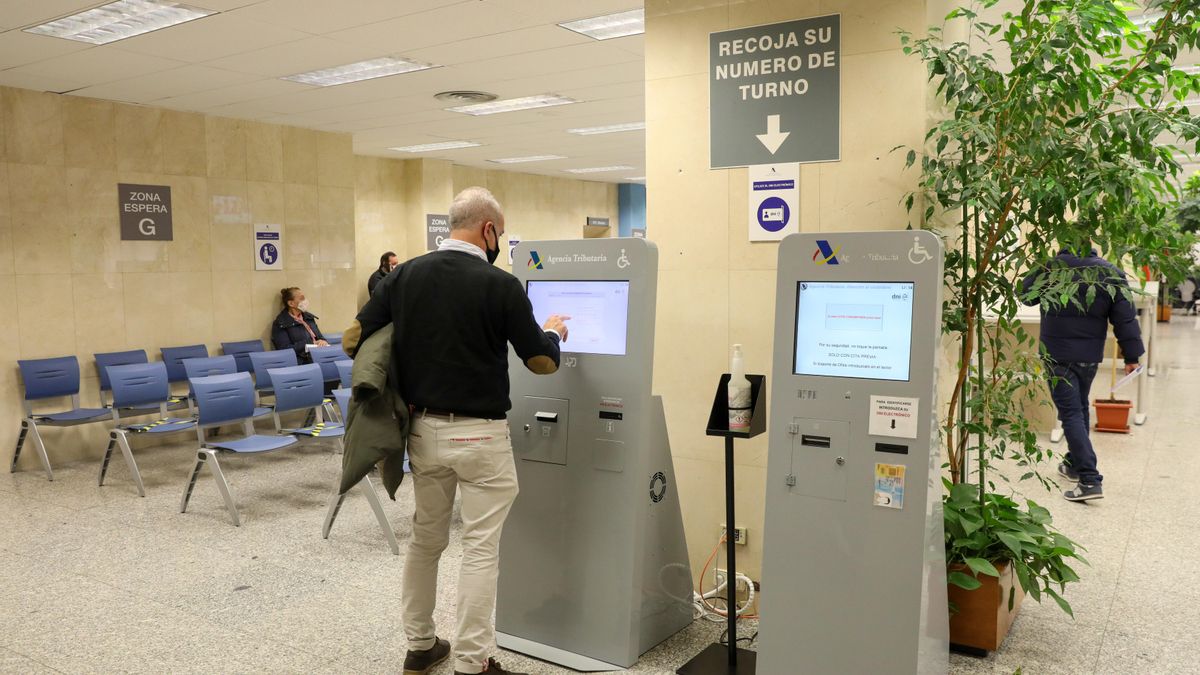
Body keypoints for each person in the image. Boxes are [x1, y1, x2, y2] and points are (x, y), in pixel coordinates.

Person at [347, 186, 569, 675]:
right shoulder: (500, 284)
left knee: (426, 540)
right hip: (481, 437)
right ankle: (473, 663)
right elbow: (541, 362)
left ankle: (421, 645)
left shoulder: (402, 275)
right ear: (488, 229)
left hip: (424, 433)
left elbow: (355, 340)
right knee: (480, 547)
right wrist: (554, 332)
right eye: (500, 233)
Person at [1022, 246, 1144, 502]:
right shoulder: (1109, 271)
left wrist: (1045, 264)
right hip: (1089, 356)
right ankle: (1074, 463)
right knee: (1078, 407)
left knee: (1071, 413)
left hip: (1057, 355)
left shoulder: (1052, 268)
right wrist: (1131, 356)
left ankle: (1089, 479)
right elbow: (1125, 319)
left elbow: (1025, 294)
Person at [271, 287, 329, 362]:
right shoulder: (280, 323)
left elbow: (320, 337)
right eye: (302, 298)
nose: (305, 301)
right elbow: (285, 350)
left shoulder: (308, 317)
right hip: (302, 362)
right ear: (291, 303)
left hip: (319, 356)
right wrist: (310, 343)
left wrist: (323, 341)